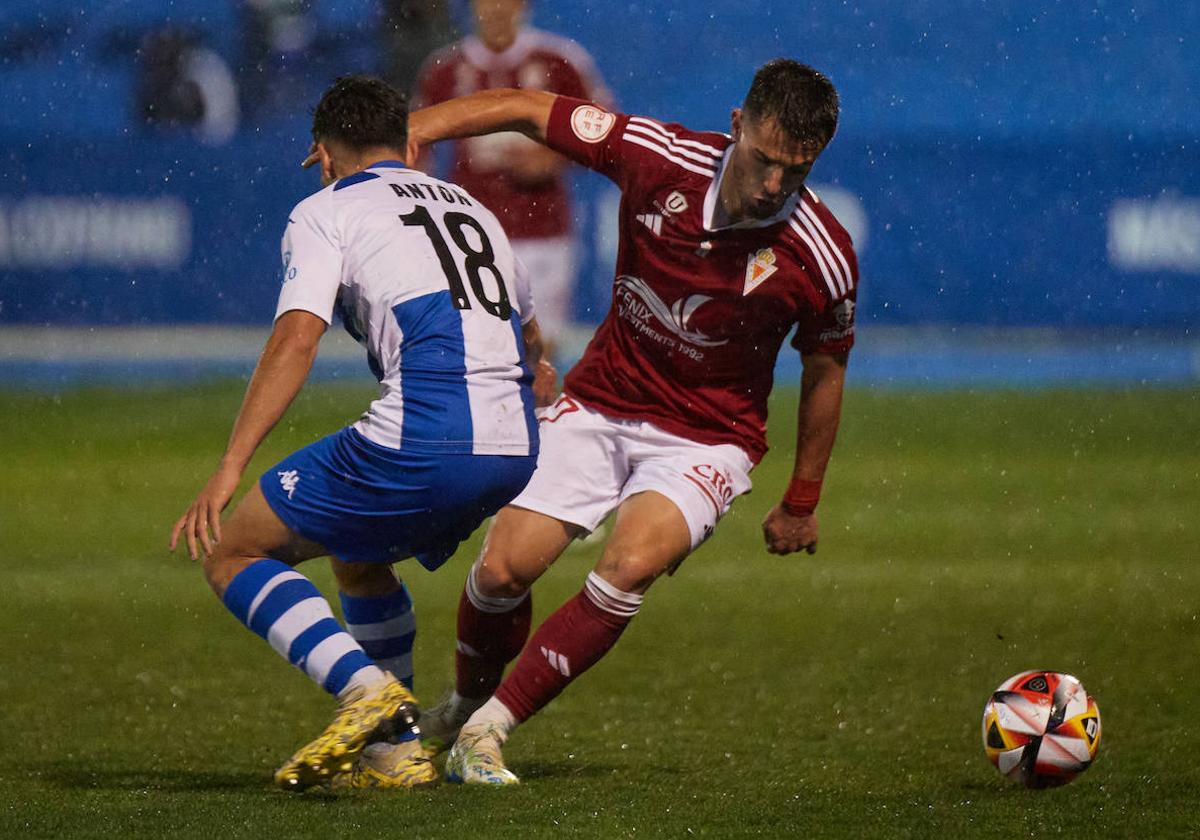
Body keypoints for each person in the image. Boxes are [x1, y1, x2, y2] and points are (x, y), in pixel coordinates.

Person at [404, 58, 859, 785]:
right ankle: (463, 702)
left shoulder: (823, 256)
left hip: (708, 439)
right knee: (499, 571)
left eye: (797, 170)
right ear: (736, 127)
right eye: (765, 160)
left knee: (629, 565)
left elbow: (825, 368)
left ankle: (490, 732)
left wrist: (802, 497)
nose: (775, 184)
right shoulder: (656, 155)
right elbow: (528, 107)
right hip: (602, 402)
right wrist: (415, 129)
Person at [169, 74, 551, 792]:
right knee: (357, 554)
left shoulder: (326, 209)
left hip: (430, 436)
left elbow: (296, 339)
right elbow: (528, 329)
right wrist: (543, 369)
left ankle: (364, 692)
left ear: (321, 151)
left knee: (232, 549)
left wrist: (230, 465)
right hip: (513, 446)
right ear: (408, 142)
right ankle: (396, 754)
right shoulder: (471, 206)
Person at [412, 0, 613, 361]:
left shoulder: (560, 60)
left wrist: (553, 157)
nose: (496, 9)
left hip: (543, 227)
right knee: (474, 346)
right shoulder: (444, 68)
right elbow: (413, 147)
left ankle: (535, 417)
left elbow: (605, 133)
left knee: (540, 350)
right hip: (468, 232)